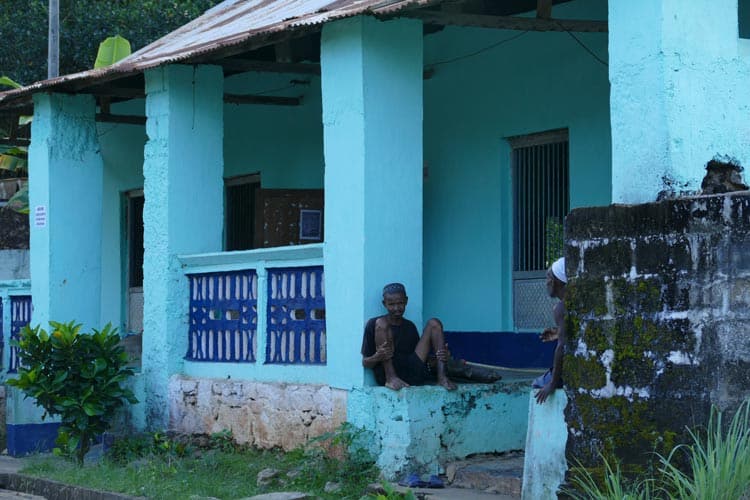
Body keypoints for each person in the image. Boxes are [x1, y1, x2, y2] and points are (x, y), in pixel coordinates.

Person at [361, 283, 457, 391]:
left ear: (406, 301)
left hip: (413, 374)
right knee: (382, 323)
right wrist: (378, 356)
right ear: (384, 304)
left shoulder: (410, 326)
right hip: (387, 376)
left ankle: (442, 377)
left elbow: (417, 359)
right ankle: (391, 378)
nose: (397, 308)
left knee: (434, 323)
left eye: (400, 303)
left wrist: (440, 357)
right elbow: (366, 362)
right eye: (391, 304)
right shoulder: (374, 324)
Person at [535, 257, 567, 404]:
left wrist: (552, 384)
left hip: (567, 370)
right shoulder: (574, 302)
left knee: (537, 385)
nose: (547, 282)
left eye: (549, 277)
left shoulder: (560, 308)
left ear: (557, 281)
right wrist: (557, 333)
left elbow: (562, 347)